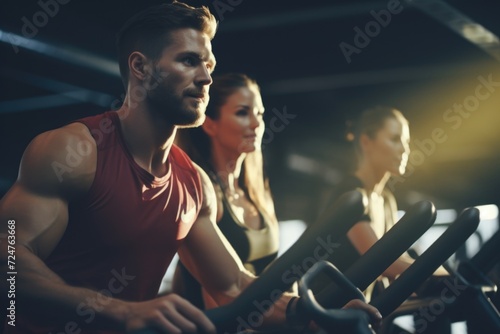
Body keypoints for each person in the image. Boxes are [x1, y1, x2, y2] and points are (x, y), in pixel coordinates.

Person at [0, 2, 382, 334]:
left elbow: (232, 287)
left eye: (209, 64)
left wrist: (311, 311)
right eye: (188, 60)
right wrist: (119, 310)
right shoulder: (75, 150)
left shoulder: (192, 184)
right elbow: (7, 260)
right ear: (140, 67)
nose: (206, 78)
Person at [171, 73, 280, 310]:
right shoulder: (202, 193)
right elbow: (219, 298)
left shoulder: (257, 193)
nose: (256, 123)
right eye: (243, 112)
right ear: (210, 124)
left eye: (259, 113)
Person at [315, 106, 447, 299]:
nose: (405, 149)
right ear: (366, 142)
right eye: (395, 139)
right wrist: (439, 273)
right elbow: (381, 262)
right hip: (327, 313)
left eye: (406, 142)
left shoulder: (386, 201)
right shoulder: (350, 194)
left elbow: (395, 261)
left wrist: (441, 274)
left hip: (361, 310)